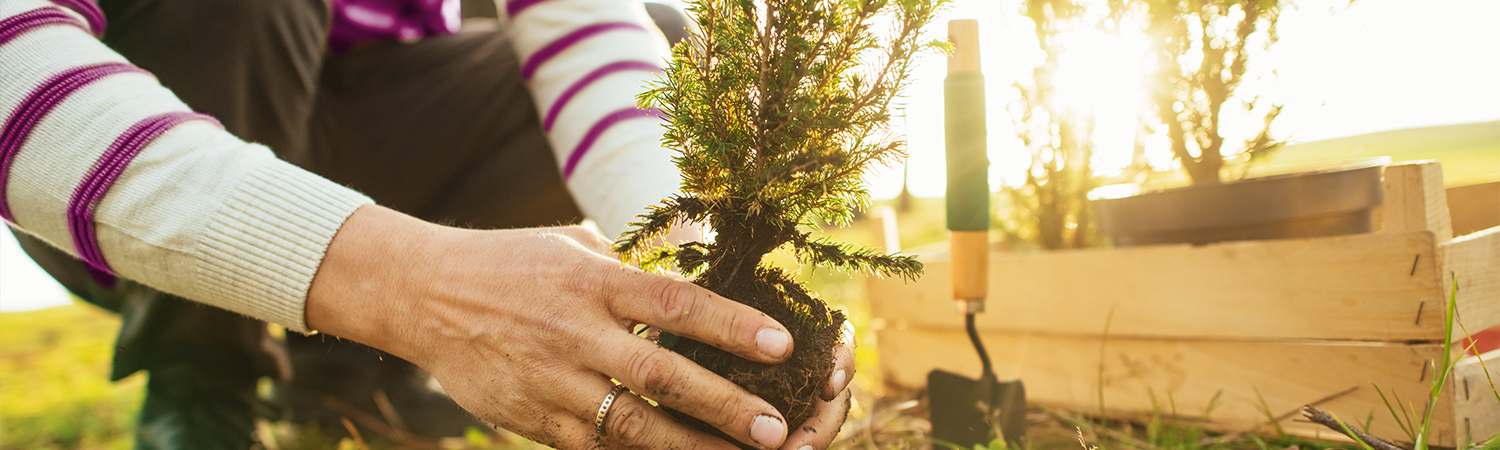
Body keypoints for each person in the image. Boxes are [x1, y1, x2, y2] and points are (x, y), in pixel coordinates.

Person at [0, 0, 855, 448]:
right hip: (125, 131)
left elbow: (586, 37)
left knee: (653, 31)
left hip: (379, 116)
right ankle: (202, 374)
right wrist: (413, 286)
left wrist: (696, 284)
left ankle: (348, 375)